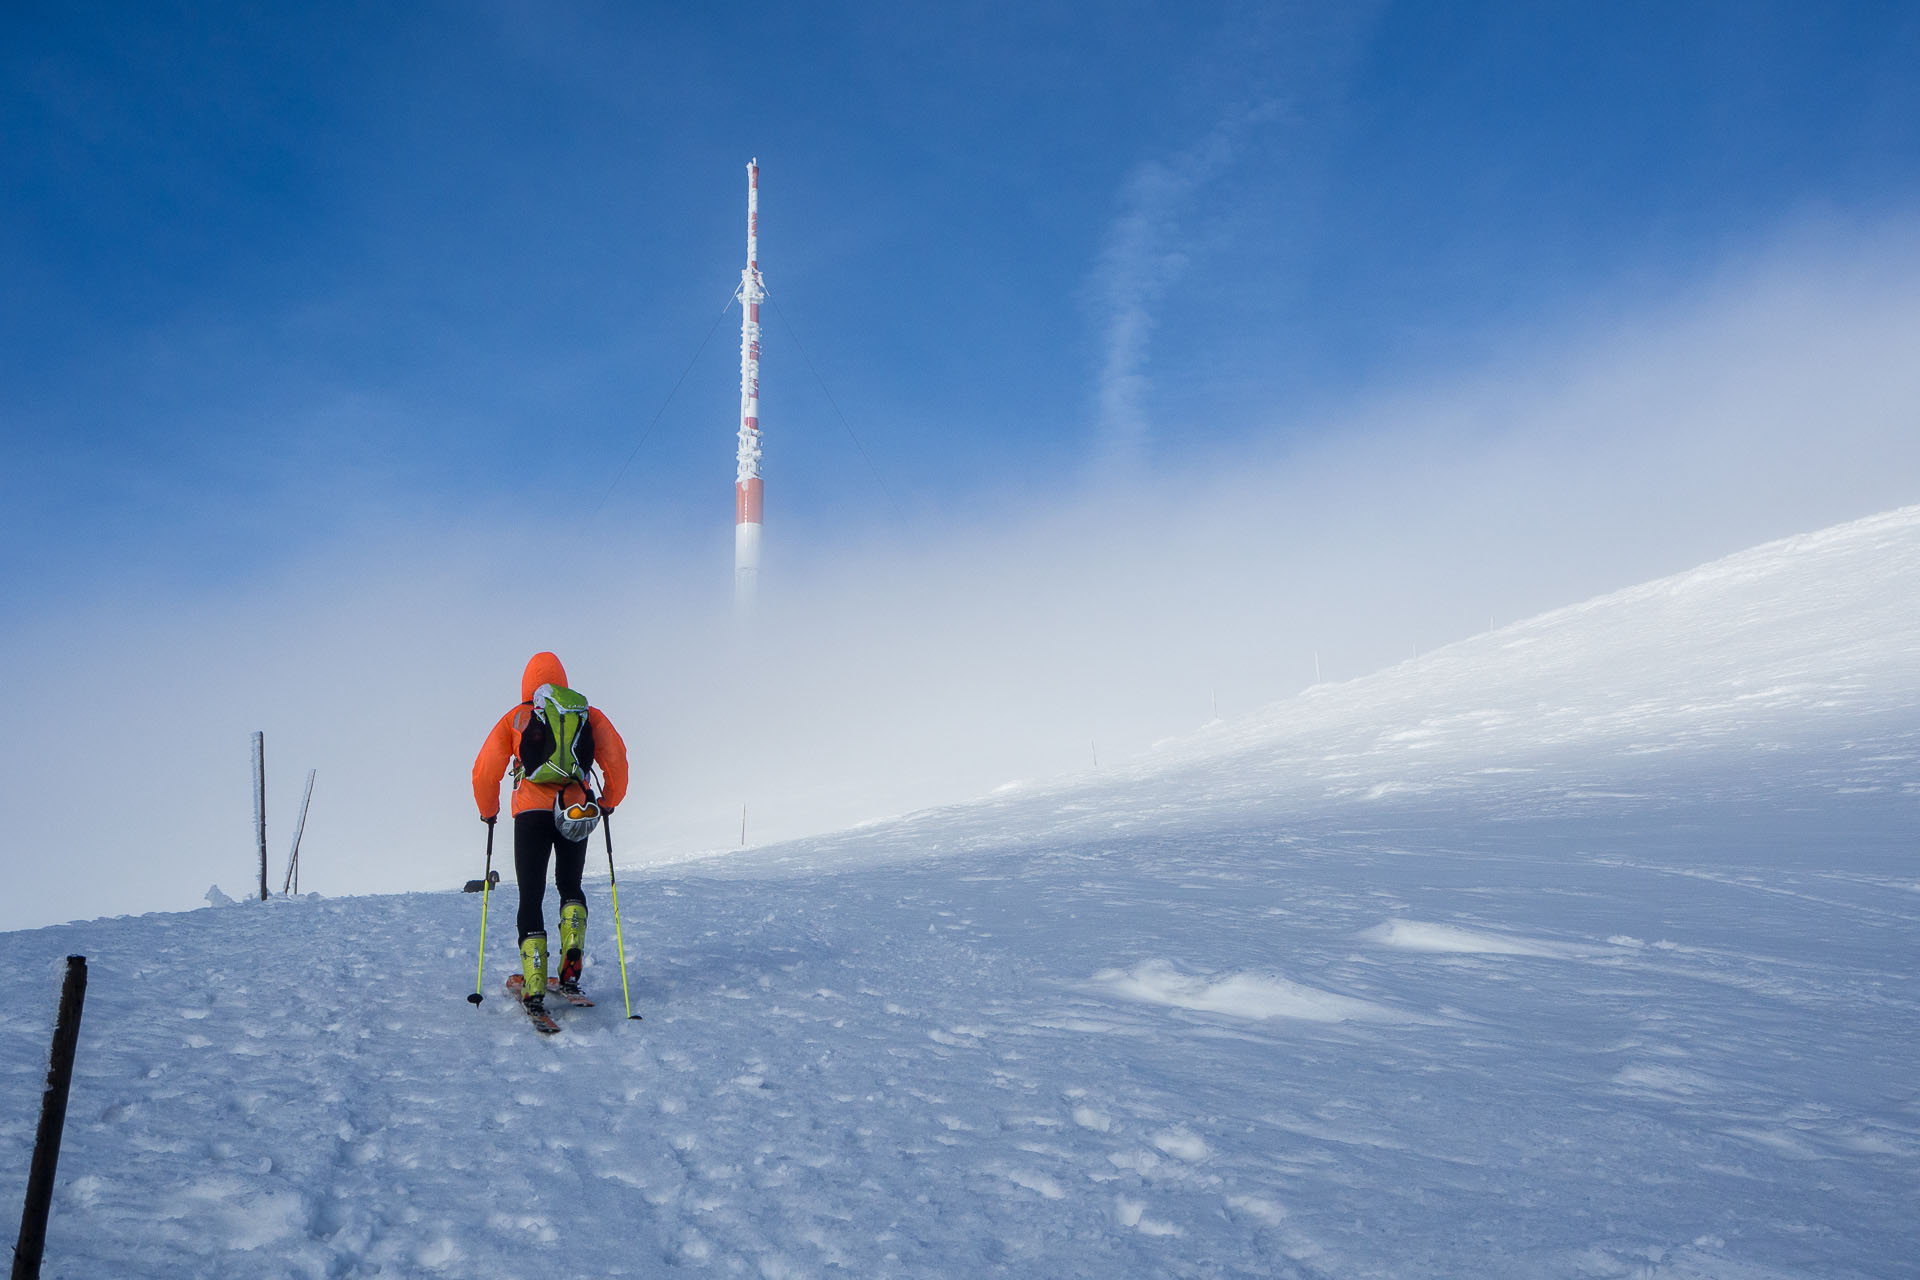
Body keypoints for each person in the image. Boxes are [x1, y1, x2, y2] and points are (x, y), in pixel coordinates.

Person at [472, 651, 629, 1015]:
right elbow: (616, 756)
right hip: (575, 809)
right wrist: (609, 799)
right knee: (570, 885)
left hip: (530, 815)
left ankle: (535, 980)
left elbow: (484, 772)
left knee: (532, 894)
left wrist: (489, 812)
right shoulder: (585, 714)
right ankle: (571, 952)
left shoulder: (517, 717)